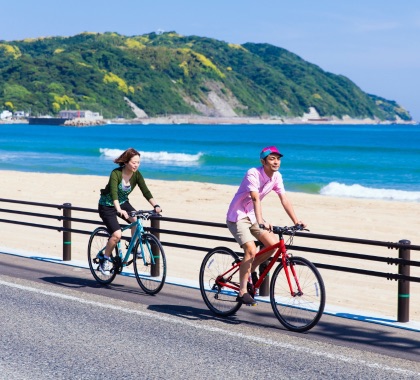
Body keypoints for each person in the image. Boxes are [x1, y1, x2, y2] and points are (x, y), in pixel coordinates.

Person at [226, 146, 306, 305]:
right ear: (263, 161)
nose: (276, 162)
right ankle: (242, 291)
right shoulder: (253, 173)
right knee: (251, 249)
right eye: (272, 159)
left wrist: (296, 221)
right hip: (237, 216)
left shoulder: (277, 177)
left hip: (253, 216)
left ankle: (250, 270)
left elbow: (284, 199)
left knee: (273, 245)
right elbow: (255, 198)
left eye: (278, 158)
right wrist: (261, 221)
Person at [98, 148, 162, 275]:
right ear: (126, 162)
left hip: (123, 203)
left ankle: (133, 247)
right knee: (117, 235)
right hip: (107, 205)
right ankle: (104, 260)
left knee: (136, 221)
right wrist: (119, 210)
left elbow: (145, 191)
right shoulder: (116, 174)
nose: (136, 165)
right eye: (134, 162)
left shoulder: (137, 174)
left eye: (138, 162)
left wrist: (156, 205)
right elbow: (114, 193)